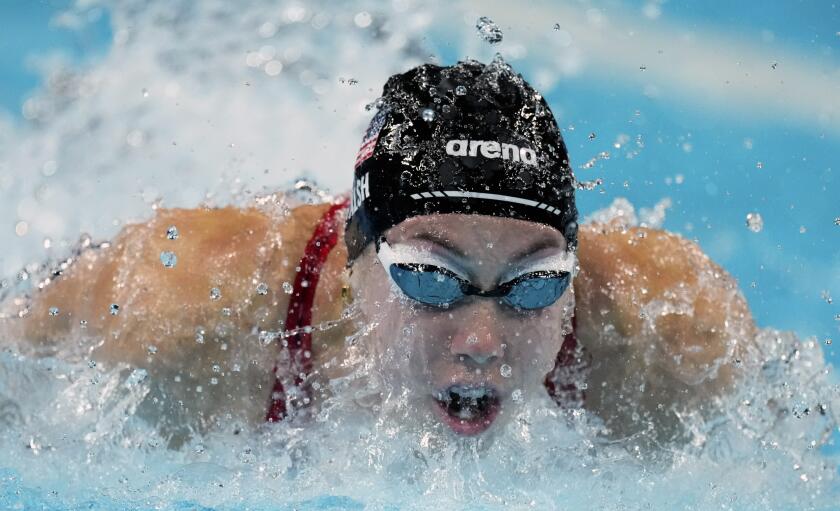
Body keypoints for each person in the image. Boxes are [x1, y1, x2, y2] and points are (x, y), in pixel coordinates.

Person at [5, 60, 757, 449]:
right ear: (351, 250)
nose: (482, 343)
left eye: (530, 287)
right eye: (432, 280)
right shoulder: (182, 312)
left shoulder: (673, 339)